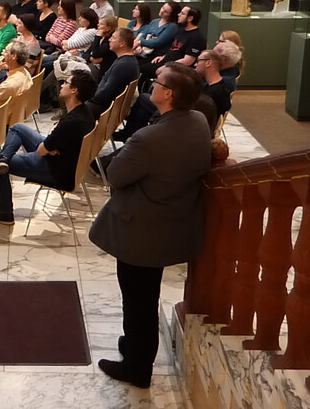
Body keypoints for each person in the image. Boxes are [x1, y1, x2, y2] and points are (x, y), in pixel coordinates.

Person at [90, 63, 211, 390]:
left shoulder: (149, 138)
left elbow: (113, 175)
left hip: (142, 230)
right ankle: (134, 347)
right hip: (170, 221)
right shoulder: (198, 120)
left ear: (168, 94)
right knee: (144, 295)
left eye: (157, 83)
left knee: (138, 300)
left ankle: (137, 368)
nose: (152, 86)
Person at [0, 69, 98, 224]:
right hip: (61, 160)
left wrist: (49, 146)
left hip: (56, 170)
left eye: (66, 83)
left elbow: (40, 151)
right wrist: (51, 145)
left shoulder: (71, 122)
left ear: (74, 90)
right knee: (18, 128)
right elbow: (54, 136)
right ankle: (3, 158)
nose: (62, 85)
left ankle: (4, 211)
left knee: (0, 168)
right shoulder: (84, 111)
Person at [138, 5, 205, 88]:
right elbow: (174, 49)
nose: (178, 14)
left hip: (174, 68)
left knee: (140, 70)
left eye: (182, 13)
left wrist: (167, 66)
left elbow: (188, 61)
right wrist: (163, 56)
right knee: (136, 64)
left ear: (190, 18)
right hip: (165, 61)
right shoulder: (181, 31)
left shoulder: (196, 37)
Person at [85, 27, 140, 118]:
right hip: (106, 106)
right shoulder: (127, 61)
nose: (109, 40)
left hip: (104, 109)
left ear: (121, 43)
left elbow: (106, 94)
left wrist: (89, 100)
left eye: (113, 38)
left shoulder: (123, 65)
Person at [0, 40, 33, 112]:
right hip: (16, 113)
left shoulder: (8, 85)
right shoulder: (26, 73)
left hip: (0, 118)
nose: (2, 53)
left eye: (6, 51)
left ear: (14, 56)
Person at [196, 49, 232, 122]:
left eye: (198, 60)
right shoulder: (213, 86)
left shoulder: (216, 93)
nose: (195, 64)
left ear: (208, 63)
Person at [85, 15, 119, 80]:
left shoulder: (109, 41)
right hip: (92, 64)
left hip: (102, 70)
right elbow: (86, 53)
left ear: (108, 28)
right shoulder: (101, 38)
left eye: (101, 24)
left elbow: (95, 54)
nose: (98, 25)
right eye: (98, 23)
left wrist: (97, 37)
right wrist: (91, 59)